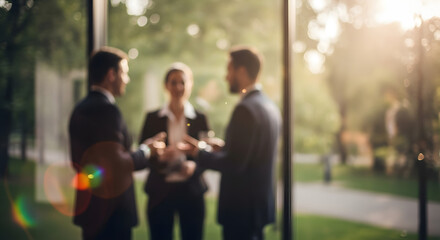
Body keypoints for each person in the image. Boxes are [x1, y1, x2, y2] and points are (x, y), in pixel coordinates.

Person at [182, 47, 281, 240]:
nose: (226, 77)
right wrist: (226, 146)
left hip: (241, 210)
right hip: (258, 207)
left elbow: (235, 164)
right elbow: (252, 153)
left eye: (229, 70)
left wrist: (199, 152)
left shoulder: (244, 109)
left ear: (241, 71)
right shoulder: (269, 106)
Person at [69, 47, 166, 240]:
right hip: (112, 213)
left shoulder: (80, 108)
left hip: (91, 208)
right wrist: (148, 150)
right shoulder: (107, 111)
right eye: (124, 73)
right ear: (111, 74)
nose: (127, 79)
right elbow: (118, 164)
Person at [138, 62, 209, 240]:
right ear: (166, 85)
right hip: (160, 192)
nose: (178, 87)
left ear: (190, 85)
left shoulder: (200, 118)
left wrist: (193, 166)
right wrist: (160, 157)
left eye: (183, 82)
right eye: (173, 82)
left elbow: (207, 154)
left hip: (191, 191)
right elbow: (143, 152)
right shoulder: (152, 118)